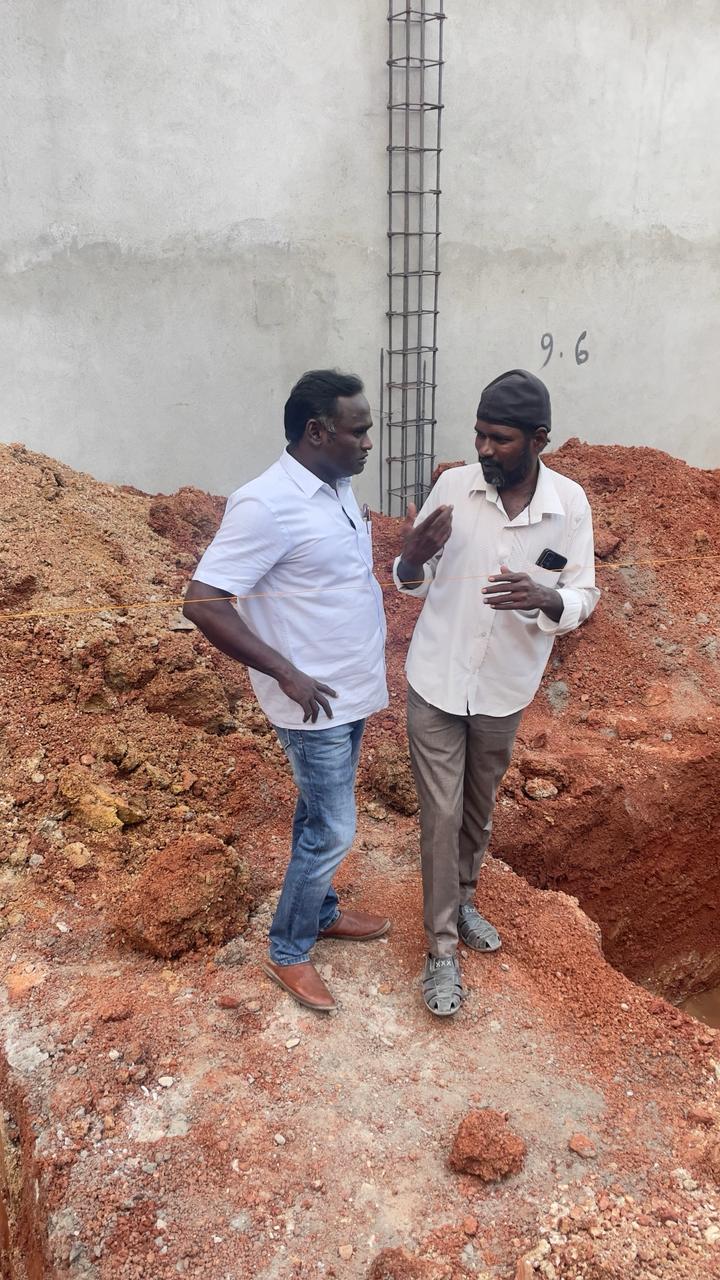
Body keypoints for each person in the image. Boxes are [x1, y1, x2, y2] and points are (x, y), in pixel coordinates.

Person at [394, 369, 599, 1016]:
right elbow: (413, 576)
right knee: (441, 815)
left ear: (539, 439)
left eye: (500, 438)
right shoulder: (454, 488)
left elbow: (584, 595)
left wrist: (547, 597)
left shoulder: (570, 506)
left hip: (504, 689)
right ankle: (441, 952)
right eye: (479, 434)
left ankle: (463, 899)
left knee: (478, 810)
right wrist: (408, 558)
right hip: (437, 679)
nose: (483, 448)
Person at [184, 370, 389, 1014]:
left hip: (351, 689)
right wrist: (284, 671)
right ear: (317, 431)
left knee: (318, 817)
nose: (368, 443)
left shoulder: (339, 487)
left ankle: (320, 912)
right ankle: (289, 948)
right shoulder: (264, 505)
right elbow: (203, 601)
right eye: (358, 431)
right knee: (333, 829)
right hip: (312, 702)